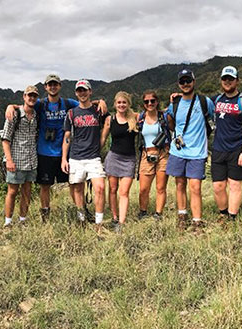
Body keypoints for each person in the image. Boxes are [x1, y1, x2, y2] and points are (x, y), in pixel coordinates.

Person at [5, 74, 107, 222]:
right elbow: (26, 105)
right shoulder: (41, 104)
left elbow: (84, 102)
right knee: (45, 186)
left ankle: (82, 213)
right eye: (49, 85)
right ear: (46, 87)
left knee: (74, 185)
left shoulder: (67, 103)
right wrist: (11, 106)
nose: (53, 87)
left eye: (55, 84)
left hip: (64, 153)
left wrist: (100, 101)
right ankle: (45, 216)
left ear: (60, 86)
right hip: (44, 152)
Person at [166, 69, 215, 232]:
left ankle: (197, 222)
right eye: (182, 81)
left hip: (197, 152)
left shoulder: (204, 101)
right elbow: (171, 124)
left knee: (195, 187)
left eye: (188, 81)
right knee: (179, 185)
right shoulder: (175, 104)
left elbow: (213, 119)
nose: (185, 84)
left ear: (194, 81)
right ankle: (182, 217)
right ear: (178, 84)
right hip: (178, 151)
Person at [211, 66, 242, 222]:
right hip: (218, 149)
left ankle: (231, 218)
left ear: (237, 81)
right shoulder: (216, 100)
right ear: (221, 81)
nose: (227, 82)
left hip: (237, 149)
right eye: (225, 79)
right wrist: (176, 99)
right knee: (218, 186)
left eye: (231, 79)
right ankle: (223, 213)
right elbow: (197, 104)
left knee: (234, 185)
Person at [61, 79, 106, 228]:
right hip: (76, 157)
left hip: (93, 157)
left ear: (90, 92)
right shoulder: (71, 113)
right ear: (76, 93)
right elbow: (67, 137)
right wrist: (64, 159)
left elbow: (111, 120)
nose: (82, 93)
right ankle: (82, 219)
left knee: (100, 187)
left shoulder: (98, 110)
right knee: (77, 189)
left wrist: (102, 101)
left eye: (85, 90)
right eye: (79, 91)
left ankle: (99, 223)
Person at [1, 85, 39, 227]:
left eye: (34, 95)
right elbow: (5, 139)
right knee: (12, 191)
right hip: (16, 160)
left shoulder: (36, 116)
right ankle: (8, 222)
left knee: (27, 192)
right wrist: (9, 160)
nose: (32, 98)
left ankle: (23, 220)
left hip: (31, 160)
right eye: (29, 95)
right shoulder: (14, 114)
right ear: (24, 97)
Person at [100, 91, 138, 227]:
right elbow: (103, 138)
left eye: (124, 102)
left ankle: (121, 223)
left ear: (128, 104)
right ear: (115, 104)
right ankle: (115, 217)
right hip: (113, 158)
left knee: (124, 192)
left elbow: (154, 113)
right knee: (112, 189)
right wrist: (94, 152)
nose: (121, 105)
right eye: (119, 102)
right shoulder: (110, 120)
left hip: (129, 160)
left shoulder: (135, 118)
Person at [137, 90, 171, 220]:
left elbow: (175, 126)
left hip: (163, 154)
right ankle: (143, 212)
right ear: (143, 104)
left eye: (152, 101)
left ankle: (158, 213)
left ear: (157, 102)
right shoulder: (140, 118)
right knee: (143, 189)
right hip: (147, 154)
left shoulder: (164, 117)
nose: (150, 103)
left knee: (160, 187)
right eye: (146, 101)